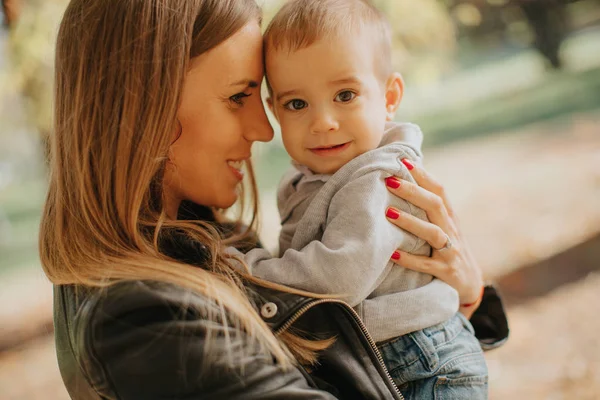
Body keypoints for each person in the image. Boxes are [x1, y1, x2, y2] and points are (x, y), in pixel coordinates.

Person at [40, 0, 508, 399]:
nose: (265, 130)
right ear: (145, 106)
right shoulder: (145, 319)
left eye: (345, 94)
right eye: (238, 97)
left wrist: (465, 299)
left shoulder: (198, 242)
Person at [222, 0, 487, 398]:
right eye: (297, 104)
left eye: (345, 95)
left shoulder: (376, 177)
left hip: (424, 363)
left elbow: (337, 276)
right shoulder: (310, 177)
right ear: (275, 109)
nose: (323, 121)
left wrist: (247, 269)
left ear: (390, 96)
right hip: (386, 356)